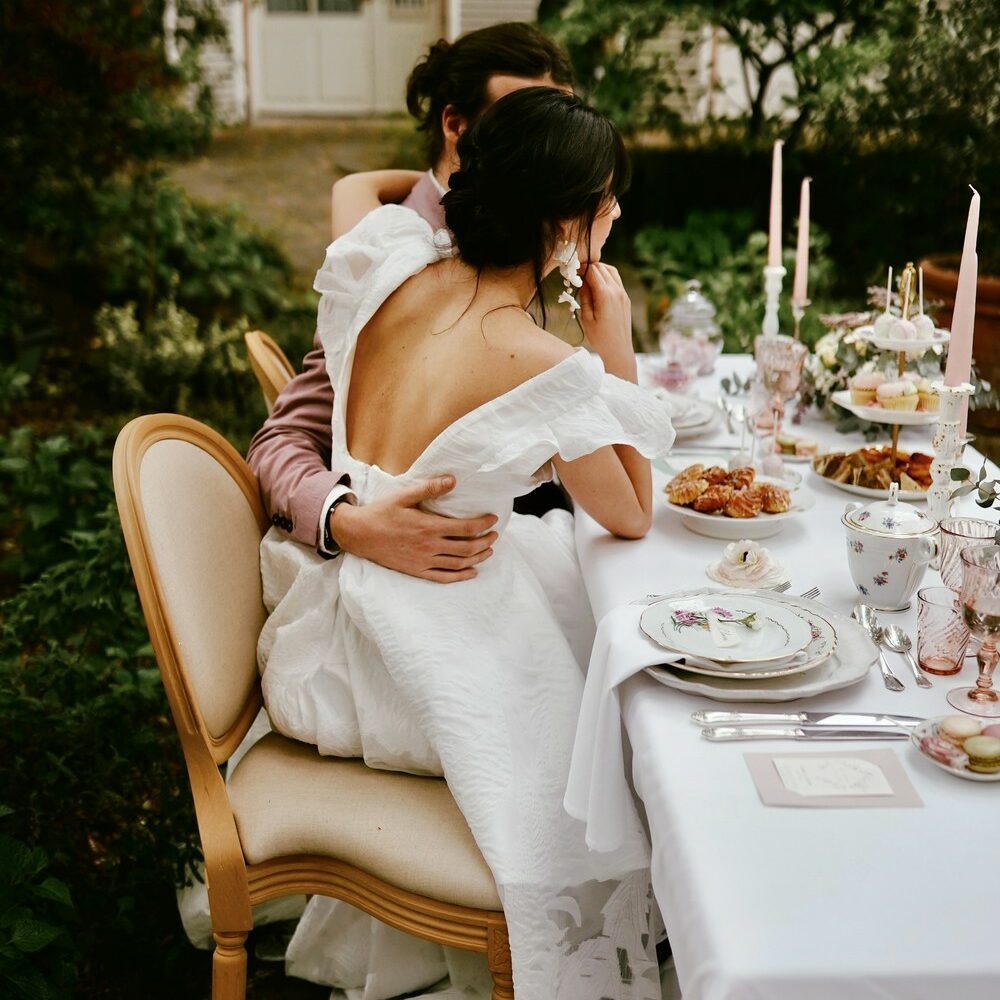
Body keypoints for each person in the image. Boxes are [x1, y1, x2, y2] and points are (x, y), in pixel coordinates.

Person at [259, 87, 674, 1000]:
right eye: (606, 209)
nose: (611, 224)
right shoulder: (535, 359)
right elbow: (633, 510)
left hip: (327, 621)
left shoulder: (396, 275)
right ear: (567, 224)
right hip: (405, 663)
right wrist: (612, 338)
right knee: (627, 719)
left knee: (570, 584)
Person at [247, 23, 575, 583]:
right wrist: (347, 522)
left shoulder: (528, 232)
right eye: (523, 122)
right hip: (436, 565)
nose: (549, 148)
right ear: (456, 124)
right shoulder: (388, 256)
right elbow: (282, 439)